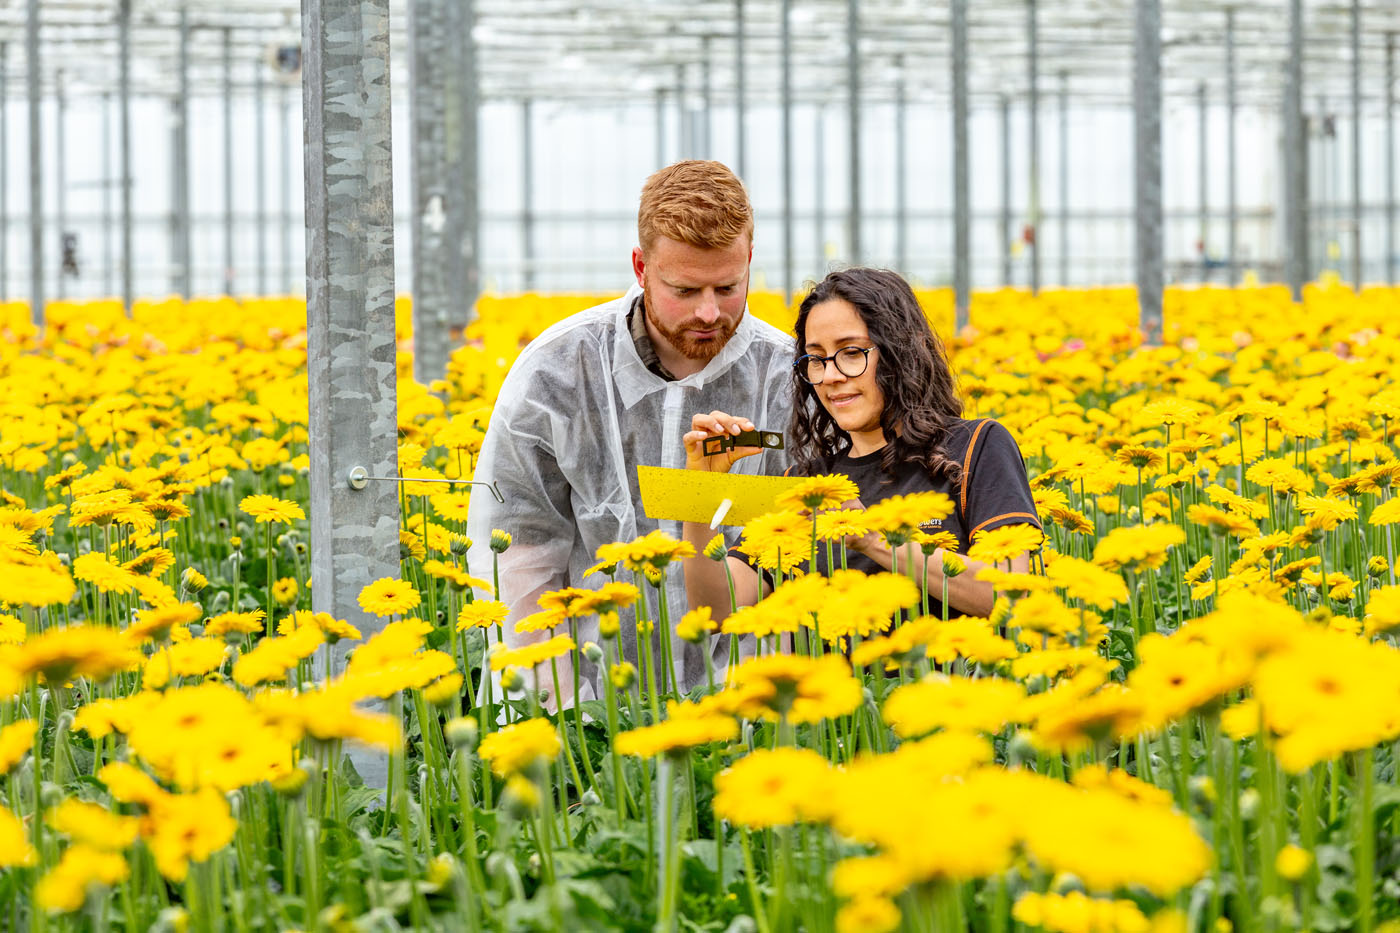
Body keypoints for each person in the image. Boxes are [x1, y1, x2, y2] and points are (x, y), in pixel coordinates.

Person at [466, 161, 793, 702]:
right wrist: (553, 700)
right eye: (685, 290)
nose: (710, 312)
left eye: (728, 286)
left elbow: (801, 547)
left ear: (750, 260)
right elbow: (522, 546)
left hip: (749, 704)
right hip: (595, 704)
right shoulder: (559, 370)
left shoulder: (785, 377)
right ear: (641, 267)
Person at [681, 267, 1041, 620]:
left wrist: (873, 538)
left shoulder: (978, 446)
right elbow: (716, 607)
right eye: (816, 359)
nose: (831, 376)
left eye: (851, 352)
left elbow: (1008, 593)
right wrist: (701, 492)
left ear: (902, 353)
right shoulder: (807, 484)